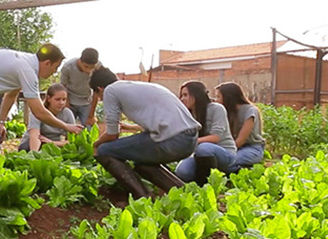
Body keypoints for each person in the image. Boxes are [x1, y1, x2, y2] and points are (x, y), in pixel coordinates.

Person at [0, 43, 83, 161]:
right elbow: (39, 112)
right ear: (47, 63)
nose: (54, 72)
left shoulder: (27, 64)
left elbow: (11, 94)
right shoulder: (27, 70)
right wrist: (66, 127)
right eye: (55, 67)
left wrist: (2, 122)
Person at [89, 67, 200, 198]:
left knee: (104, 150)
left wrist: (95, 144)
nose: (101, 99)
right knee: (141, 160)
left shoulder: (110, 90)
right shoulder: (138, 87)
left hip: (172, 140)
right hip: (190, 140)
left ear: (100, 88)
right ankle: (183, 193)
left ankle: (142, 197)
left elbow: (113, 134)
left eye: (98, 95)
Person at [175, 81, 237, 184]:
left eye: (185, 95)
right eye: (181, 95)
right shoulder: (188, 115)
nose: (182, 99)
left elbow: (215, 137)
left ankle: (206, 185)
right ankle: (213, 174)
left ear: (196, 94)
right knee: (182, 172)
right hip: (199, 154)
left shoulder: (217, 109)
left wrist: (193, 141)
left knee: (204, 148)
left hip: (224, 152)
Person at [215, 82, 265, 170]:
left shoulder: (250, 111)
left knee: (227, 161)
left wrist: (225, 153)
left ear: (228, 97)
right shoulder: (227, 112)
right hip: (233, 148)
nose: (216, 100)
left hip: (251, 148)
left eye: (218, 97)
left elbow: (241, 140)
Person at [18, 84, 75, 151]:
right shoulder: (38, 111)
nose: (61, 103)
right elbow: (34, 135)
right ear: (49, 98)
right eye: (57, 99)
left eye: (64, 99)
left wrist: (52, 143)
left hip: (54, 144)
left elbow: (72, 140)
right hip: (35, 142)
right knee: (25, 149)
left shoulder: (67, 113)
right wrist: (34, 155)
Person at [60, 48, 100, 126]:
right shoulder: (68, 67)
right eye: (86, 67)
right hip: (71, 101)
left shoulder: (98, 67)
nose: (89, 71)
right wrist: (67, 105)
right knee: (70, 130)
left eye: (92, 68)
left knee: (90, 129)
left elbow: (96, 91)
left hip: (86, 101)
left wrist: (91, 115)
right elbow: (63, 87)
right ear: (80, 61)